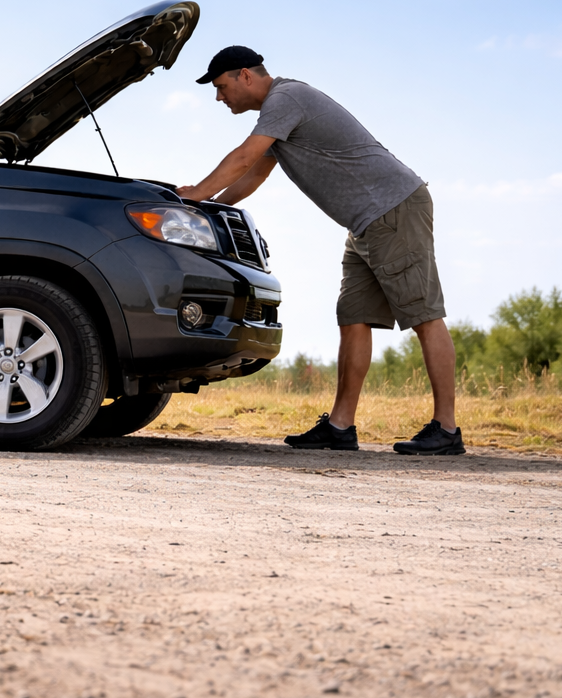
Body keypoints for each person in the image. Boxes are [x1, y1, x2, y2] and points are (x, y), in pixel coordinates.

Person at [175, 46, 463, 456]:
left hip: (393, 209)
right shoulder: (279, 112)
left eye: (221, 87)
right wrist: (212, 206)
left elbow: (243, 158)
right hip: (365, 223)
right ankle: (341, 427)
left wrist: (196, 195)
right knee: (354, 318)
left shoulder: (285, 99)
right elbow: (256, 173)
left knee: (424, 315)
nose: (220, 98)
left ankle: (447, 430)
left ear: (245, 76)